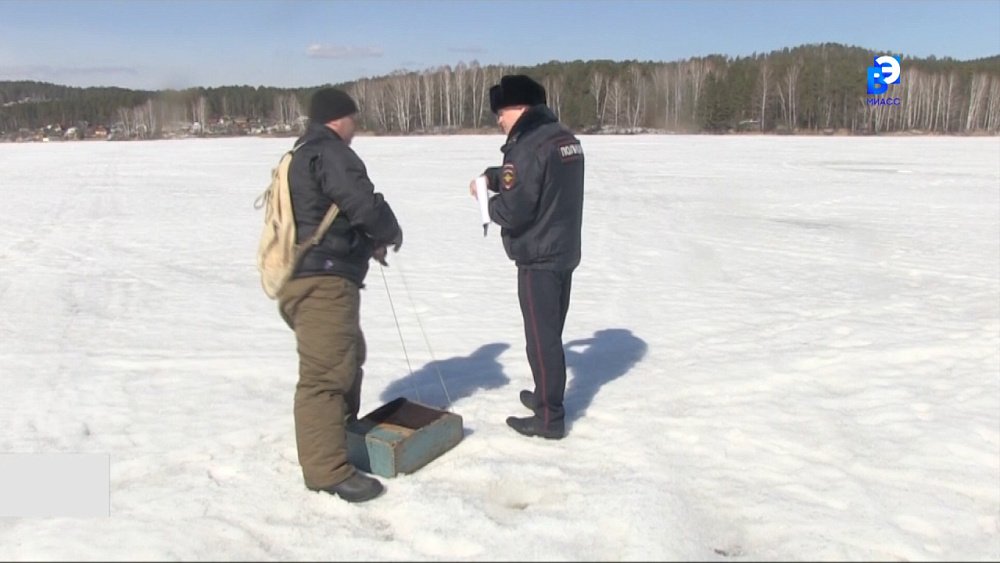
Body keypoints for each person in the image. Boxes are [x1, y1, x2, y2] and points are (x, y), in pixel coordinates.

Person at [279, 87, 402, 502]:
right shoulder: (330, 152)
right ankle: (327, 471)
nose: (357, 126)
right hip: (323, 281)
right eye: (354, 118)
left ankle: (341, 439)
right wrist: (388, 231)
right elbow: (362, 205)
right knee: (326, 374)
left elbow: (332, 217)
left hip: (314, 276)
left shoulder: (303, 151)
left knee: (347, 357)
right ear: (339, 118)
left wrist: (368, 245)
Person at [468, 75, 585, 440]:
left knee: (541, 339)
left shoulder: (526, 146)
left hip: (538, 258)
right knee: (550, 332)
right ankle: (543, 395)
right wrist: (493, 177)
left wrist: (487, 203)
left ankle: (549, 418)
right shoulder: (563, 138)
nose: (498, 121)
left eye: (500, 113)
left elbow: (517, 206)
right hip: (563, 249)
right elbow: (531, 179)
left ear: (518, 107)